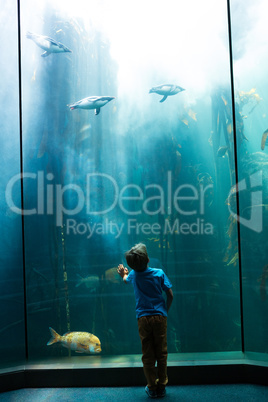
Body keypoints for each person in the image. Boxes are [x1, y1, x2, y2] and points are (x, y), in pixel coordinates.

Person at [117, 243, 173, 398]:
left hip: (143, 318)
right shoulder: (159, 273)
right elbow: (170, 295)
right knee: (161, 353)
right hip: (160, 317)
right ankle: (162, 385)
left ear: (130, 265)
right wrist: (164, 312)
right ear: (148, 259)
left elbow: (126, 280)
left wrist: (123, 273)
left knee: (148, 354)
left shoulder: (134, 275)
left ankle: (152, 386)